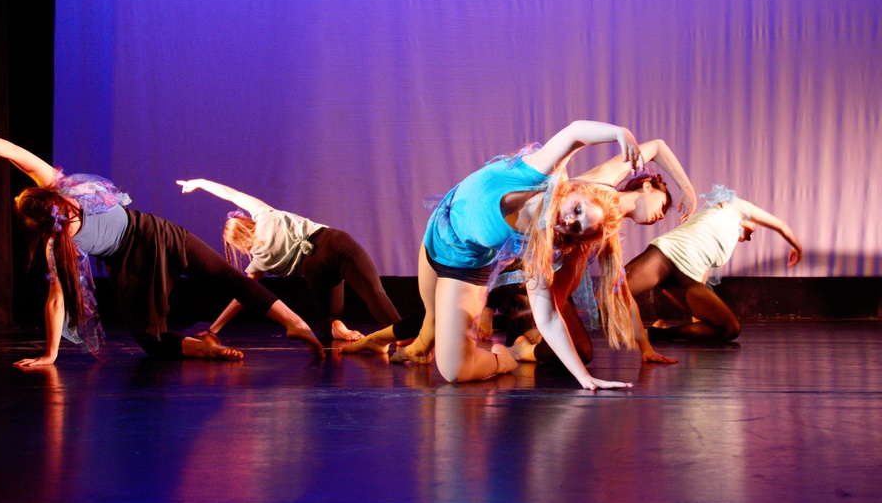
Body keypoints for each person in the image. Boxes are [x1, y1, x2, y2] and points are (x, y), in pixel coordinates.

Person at [0, 125, 325, 366]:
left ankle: (202, 350)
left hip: (134, 266)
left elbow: (56, 301)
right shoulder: (62, 188)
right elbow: (14, 154)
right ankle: (295, 322)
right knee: (229, 277)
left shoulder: (58, 243)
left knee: (152, 339)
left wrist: (51, 354)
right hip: (157, 232)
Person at [343, 138, 696, 367]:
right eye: (663, 203)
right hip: (513, 267)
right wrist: (687, 189)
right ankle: (380, 340)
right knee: (436, 317)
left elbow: (617, 288)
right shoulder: (602, 182)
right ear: (646, 184)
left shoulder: (609, 237)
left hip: (541, 284)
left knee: (578, 352)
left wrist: (645, 346)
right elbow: (656, 146)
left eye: (665, 213)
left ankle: (506, 346)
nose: (661, 214)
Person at [368, 120, 644, 387]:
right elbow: (575, 133)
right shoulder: (541, 172)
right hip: (438, 228)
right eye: (579, 210)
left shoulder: (539, 245)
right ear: (578, 191)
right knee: (431, 319)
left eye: (577, 228)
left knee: (453, 371)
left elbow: (548, 318)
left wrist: (583, 377)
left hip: (463, 266)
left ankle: (502, 360)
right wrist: (619, 133)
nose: (570, 220)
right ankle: (414, 348)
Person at [176, 178, 403, 343]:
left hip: (313, 269)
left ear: (237, 244)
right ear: (246, 221)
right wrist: (200, 183)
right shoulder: (263, 214)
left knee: (328, 318)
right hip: (332, 243)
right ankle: (405, 337)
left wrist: (214, 328)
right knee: (373, 292)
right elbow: (231, 194)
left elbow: (242, 298)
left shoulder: (258, 261)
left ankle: (340, 329)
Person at [624, 185, 802, 341]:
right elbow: (781, 226)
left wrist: (701, 318)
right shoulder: (733, 207)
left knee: (730, 328)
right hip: (665, 257)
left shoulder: (726, 247)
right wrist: (797, 247)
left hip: (684, 281)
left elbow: (702, 275)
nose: (750, 233)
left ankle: (659, 333)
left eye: (749, 236)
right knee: (613, 293)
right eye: (751, 227)